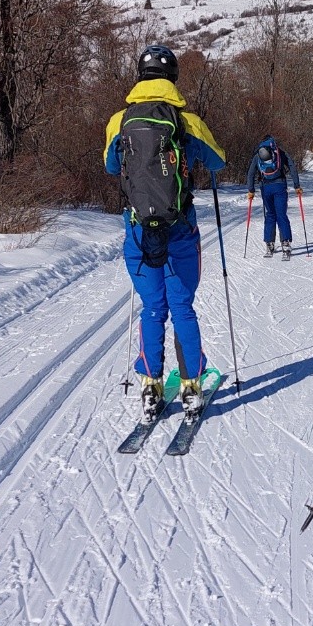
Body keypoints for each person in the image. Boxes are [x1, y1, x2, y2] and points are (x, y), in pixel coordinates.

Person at [104, 43, 226, 421]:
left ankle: (151, 388)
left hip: (139, 231)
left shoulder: (118, 120)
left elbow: (111, 167)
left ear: (139, 76)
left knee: (153, 308)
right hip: (180, 230)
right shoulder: (187, 121)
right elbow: (218, 161)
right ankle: (191, 388)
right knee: (182, 308)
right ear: (173, 77)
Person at [245, 135, 302, 259]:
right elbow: (292, 167)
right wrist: (297, 185)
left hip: (266, 188)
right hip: (280, 186)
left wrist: (251, 190)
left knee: (270, 214)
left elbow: (250, 173)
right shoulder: (280, 152)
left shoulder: (258, 155)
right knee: (281, 214)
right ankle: (285, 244)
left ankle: (269, 245)